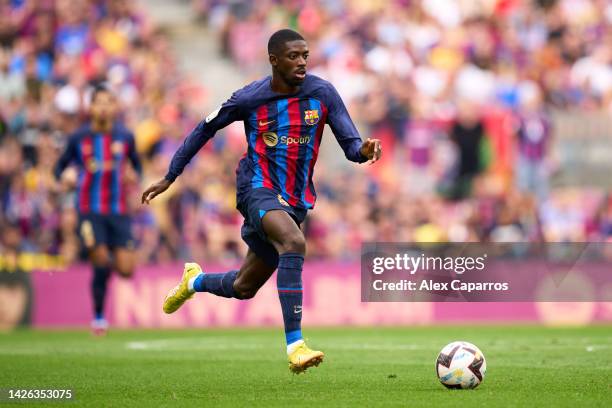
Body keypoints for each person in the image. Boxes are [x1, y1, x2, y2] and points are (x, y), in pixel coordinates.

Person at [141, 29, 382, 373]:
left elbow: (351, 145)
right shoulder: (249, 98)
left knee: (243, 287)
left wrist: (364, 150)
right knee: (293, 242)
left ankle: (193, 281)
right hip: (256, 188)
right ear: (273, 60)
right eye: (293, 56)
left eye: (305, 56)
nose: (301, 62)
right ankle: (295, 346)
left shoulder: (323, 94)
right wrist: (170, 175)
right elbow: (204, 128)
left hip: (295, 201)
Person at [54, 85, 142, 335]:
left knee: (126, 270)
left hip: (119, 210)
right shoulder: (78, 138)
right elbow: (59, 169)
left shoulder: (125, 136)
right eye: (99, 102)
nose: (103, 107)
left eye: (108, 102)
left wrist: (134, 176)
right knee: (101, 260)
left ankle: (109, 258)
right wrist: (67, 177)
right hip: (88, 210)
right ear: (91, 107)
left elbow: (136, 166)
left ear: (114, 107)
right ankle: (100, 317)